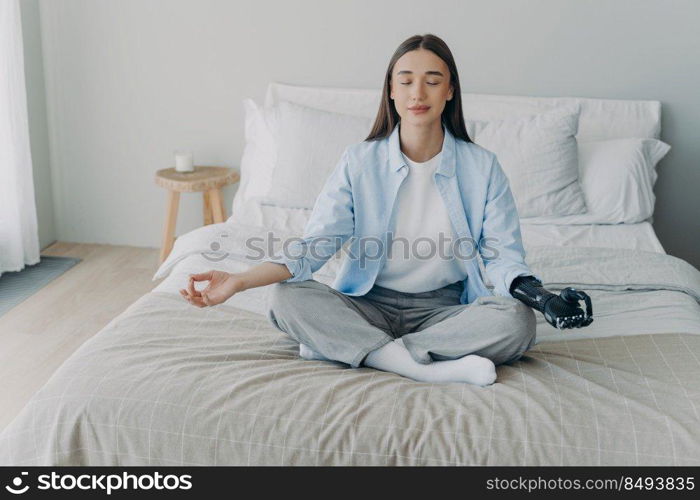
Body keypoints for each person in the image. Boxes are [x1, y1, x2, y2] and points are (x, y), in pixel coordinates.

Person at [180, 33, 593, 386]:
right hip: (366, 303)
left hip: (446, 311)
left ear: (450, 91)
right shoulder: (358, 162)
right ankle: (423, 368)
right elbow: (315, 247)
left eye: (433, 82)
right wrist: (238, 280)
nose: (418, 94)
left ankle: (353, 348)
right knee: (286, 300)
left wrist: (542, 298)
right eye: (406, 81)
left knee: (516, 322)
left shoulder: (482, 166)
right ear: (391, 91)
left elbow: (503, 256)